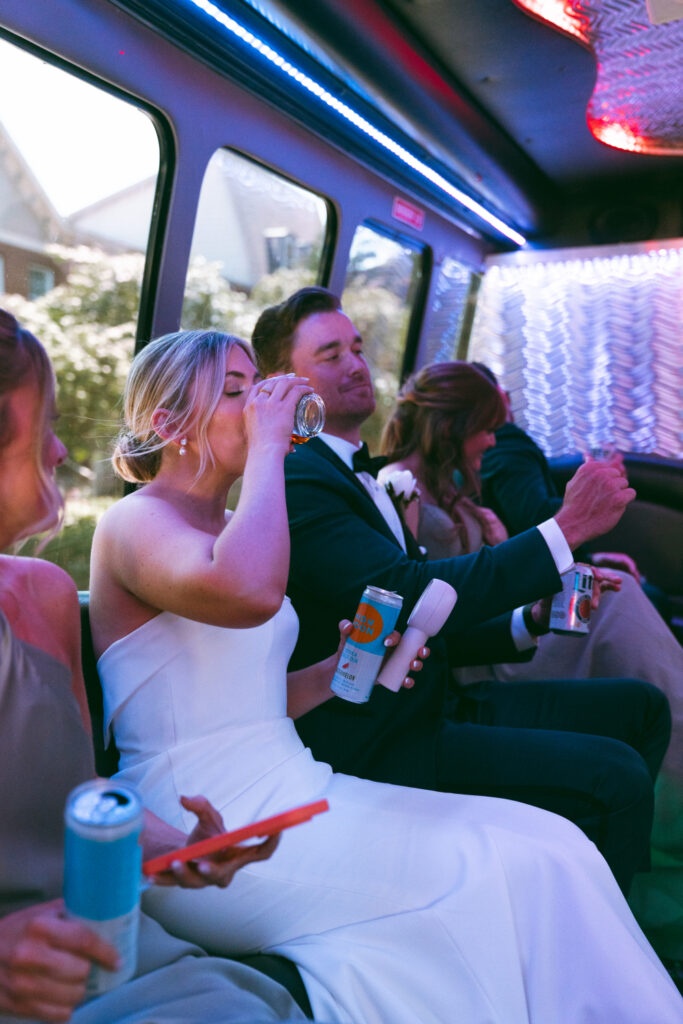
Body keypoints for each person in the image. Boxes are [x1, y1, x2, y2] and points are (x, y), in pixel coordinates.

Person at [85, 324, 683, 1022]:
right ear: (166, 422)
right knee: (492, 874)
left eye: (261, 390)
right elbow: (249, 592)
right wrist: (275, 442)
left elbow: (244, 697)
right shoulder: (134, 525)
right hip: (203, 820)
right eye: (237, 392)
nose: (259, 406)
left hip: (294, 782)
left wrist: (334, 673)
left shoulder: (228, 525)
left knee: (551, 846)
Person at [251, 285, 672, 898]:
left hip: (433, 702)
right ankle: (599, 931)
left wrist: (530, 620)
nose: (356, 363)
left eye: (358, 347)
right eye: (330, 354)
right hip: (382, 738)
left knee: (640, 707)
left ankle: (583, 887)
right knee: (617, 778)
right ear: (283, 382)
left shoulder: (354, 473)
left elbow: (428, 617)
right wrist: (567, 527)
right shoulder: (298, 477)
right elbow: (410, 591)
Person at [0, 308, 315, 1024]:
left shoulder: (44, 596)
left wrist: (178, 845)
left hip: (98, 939)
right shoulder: (139, 524)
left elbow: (83, 796)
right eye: (41, 423)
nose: (57, 450)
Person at [378, 360, 683, 781]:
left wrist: (577, 568)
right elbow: (416, 589)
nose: (492, 441)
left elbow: (500, 568)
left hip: (506, 621)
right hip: (477, 652)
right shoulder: (399, 488)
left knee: (614, 590)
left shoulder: (451, 488)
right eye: (486, 429)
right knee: (619, 603)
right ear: (452, 428)